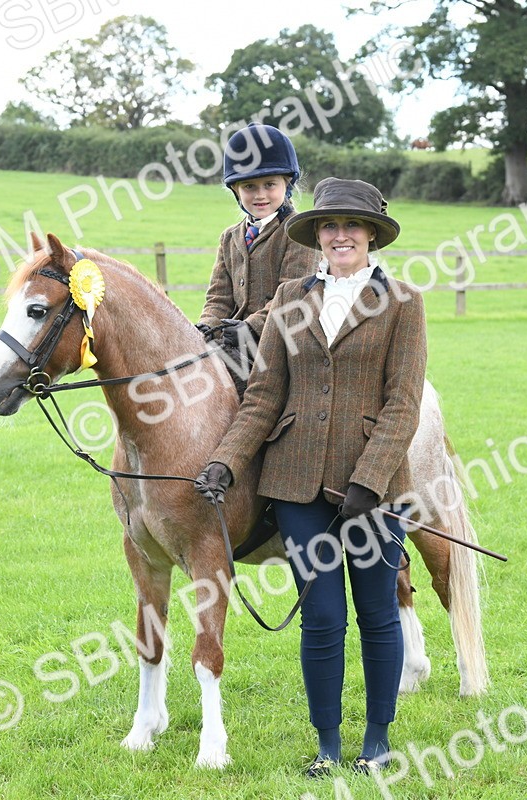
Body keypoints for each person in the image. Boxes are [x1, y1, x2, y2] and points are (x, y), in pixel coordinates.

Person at [194, 178, 427, 777]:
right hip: (295, 485)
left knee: (376, 611)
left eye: (352, 226)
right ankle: (327, 744)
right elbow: (265, 394)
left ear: (371, 234)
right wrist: (226, 460)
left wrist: (370, 481)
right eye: (329, 226)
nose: (340, 235)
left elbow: (404, 403)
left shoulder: (402, 301)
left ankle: (377, 739)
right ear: (317, 235)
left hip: (372, 491)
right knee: (322, 617)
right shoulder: (292, 298)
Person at [196, 123, 315, 380]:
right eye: (249, 186)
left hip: (285, 339)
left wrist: (250, 327)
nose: (260, 195)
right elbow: (219, 297)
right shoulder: (229, 237)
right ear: (236, 190)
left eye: (269, 184)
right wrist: (206, 327)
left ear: (287, 184)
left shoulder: (299, 232)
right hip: (236, 340)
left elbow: (293, 297)